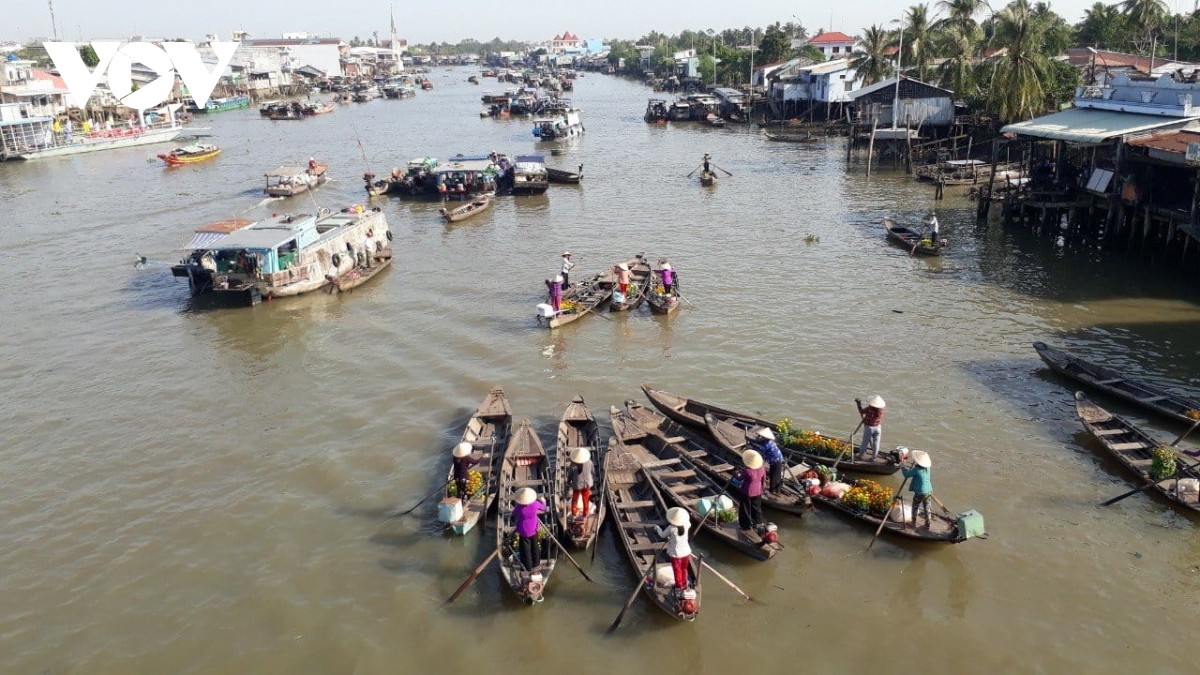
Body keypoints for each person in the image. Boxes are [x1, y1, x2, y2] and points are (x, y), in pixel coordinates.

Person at [654, 507, 692, 591]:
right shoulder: (686, 525)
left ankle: (679, 586)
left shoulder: (671, 528)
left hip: (676, 554)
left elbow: (662, 535)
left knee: (677, 570)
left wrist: (657, 528)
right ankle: (684, 584)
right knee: (684, 568)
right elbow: (688, 522)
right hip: (686, 552)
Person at [512, 488, 547, 572]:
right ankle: (536, 563)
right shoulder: (535, 504)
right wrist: (543, 501)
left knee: (525, 549)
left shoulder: (519, 507)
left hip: (523, 530)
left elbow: (514, 514)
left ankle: (528, 567)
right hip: (534, 529)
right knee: (535, 547)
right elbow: (543, 508)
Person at [734, 449, 766, 532]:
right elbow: (763, 480)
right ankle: (758, 523)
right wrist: (761, 489)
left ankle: (746, 525)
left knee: (745, 509)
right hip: (758, 491)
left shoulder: (747, 471)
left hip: (747, 492)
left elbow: (739, 478)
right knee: (756, 508)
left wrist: (735, 473)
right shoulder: (762, 469)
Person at [902, 450, 933, 529]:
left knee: (915, 507)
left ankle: (913, 523)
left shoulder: (916, 470)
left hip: (920, 493)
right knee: (927, 508)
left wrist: (902, 466)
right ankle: (927, 525)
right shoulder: (928, 468)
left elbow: (906, 474)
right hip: (929, 490)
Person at [750, 428, 785, 494]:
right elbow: (758, 441)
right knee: (772, 473)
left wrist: (752, 448)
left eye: (762, 437)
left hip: (776, 460)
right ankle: (774, 489)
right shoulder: (765, 441)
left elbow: (760, 450)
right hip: (772, 460)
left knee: (775, 476)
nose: (760, 437)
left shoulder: (767, 444)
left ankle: (774, 490)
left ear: (765, 437)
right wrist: (752, 440)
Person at [567, 447, 594, 520]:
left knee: (575, 500)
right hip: (587, 484)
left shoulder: (573, 465)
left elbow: (569, 475)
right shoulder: (589, 462)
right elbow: (593, 472)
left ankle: (574, 513)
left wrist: (568, 482)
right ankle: (585, 515)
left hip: (577, 486)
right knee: (586, 500)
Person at [855, 395, 886, 459]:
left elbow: (861, 411)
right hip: (878, 427)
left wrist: (859, 404)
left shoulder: (870, 408)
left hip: (869, 428)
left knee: (865, 442)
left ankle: (860, 455)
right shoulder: (882, 410)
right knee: (876, 443)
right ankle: (874, 457)